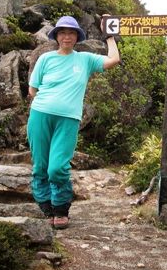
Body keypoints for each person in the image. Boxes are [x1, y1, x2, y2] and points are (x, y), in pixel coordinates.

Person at [27, 15, 121, 229]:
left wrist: (109, 36)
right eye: (62, 32)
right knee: (40, 166)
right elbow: (33, 89)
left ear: (77, 36)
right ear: (57, 36)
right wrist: (49, 103)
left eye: (71, 33)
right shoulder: (46, 59)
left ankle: (61, 208)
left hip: (68, 120)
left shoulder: (85, 59)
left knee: (57, 167)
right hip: (40, 115)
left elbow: (113, 60)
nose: (66, 36)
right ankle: (47, 207)